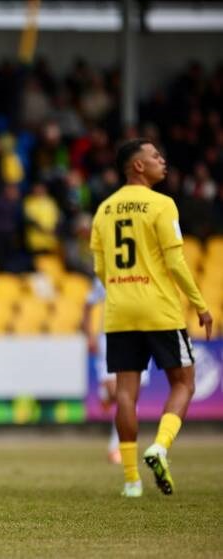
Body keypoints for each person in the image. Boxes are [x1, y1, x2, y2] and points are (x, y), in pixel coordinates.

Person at [89, 139, 213, 498]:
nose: (163, 160)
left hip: (119, 312)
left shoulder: (104, 210)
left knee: (126, 395)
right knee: (184, 383)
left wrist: (122, 290)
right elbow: (175, 262)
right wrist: (200, 305)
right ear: (138, 166)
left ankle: (131, 481)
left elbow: (100, 268)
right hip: (159, 309)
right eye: (155, 156)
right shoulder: (162, 204)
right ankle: (159, 447)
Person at [81, 277, 150, 465]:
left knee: (131, 397)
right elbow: (88, 304)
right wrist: (89, 335)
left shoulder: (146, 272)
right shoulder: (107, 273)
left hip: (140, 337)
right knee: (121, 395)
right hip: (110, 338)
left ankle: (118, 447)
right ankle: (118, 446)